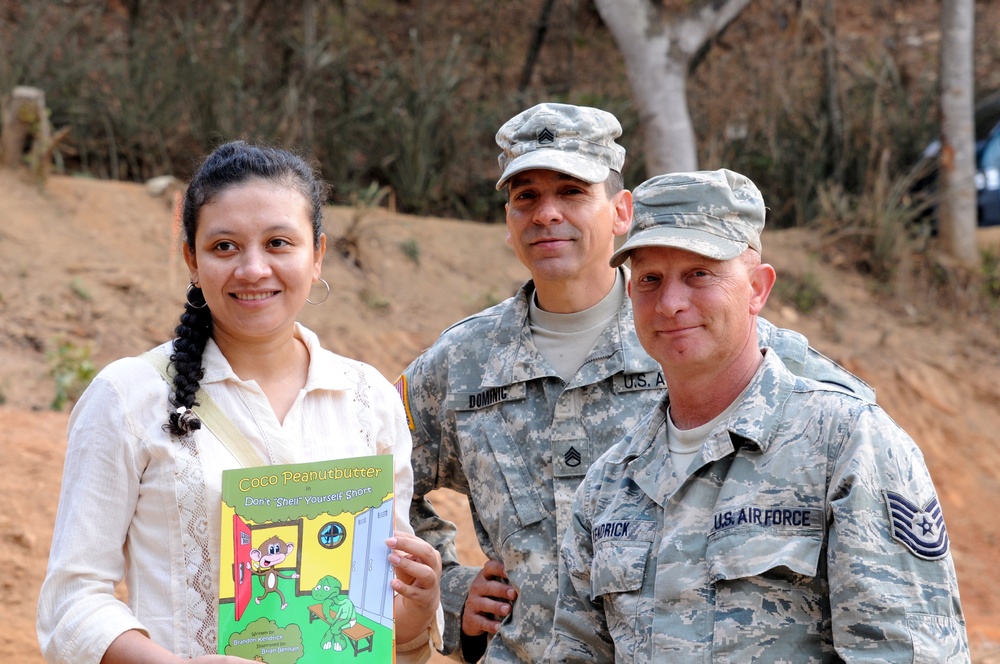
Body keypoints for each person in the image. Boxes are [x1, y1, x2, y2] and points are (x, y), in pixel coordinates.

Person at [395, 103, 874, 663]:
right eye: (526, 196)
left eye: (572, 192)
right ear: (507, 218)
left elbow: (860, 474)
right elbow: (380, 486)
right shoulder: (460, 362)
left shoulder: (714, 340)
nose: (546, 213)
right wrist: (451, 593)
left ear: (622, 211)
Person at [36, 141, 442, 664]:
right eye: (224, 246)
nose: (253, 269)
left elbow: (393, 637)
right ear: (191, 258)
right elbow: (71, 604)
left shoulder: (370, 400)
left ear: (317, 255)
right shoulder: (128, 397)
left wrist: (418, 604)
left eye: (278, 243)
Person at [546, 169, 969, 662]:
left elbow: (906, 654)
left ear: (757, 289)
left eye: (700, 274)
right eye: (650, 280)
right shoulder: (610, 483)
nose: (671, 303)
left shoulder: (845, 443)